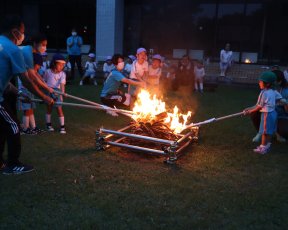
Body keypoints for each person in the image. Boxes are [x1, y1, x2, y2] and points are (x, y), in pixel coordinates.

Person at [0, 15, 54, 175]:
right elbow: (28, 80)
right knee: (13, 125)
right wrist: (44, 97)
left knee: (2, 127)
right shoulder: (13, 50)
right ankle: (13, 164)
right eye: (22, 32)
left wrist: (19, 94)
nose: (24, 35)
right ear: (15, 32)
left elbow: (4, 81)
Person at [244, 72, 283, 154]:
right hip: (273, 113)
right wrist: (249, 108)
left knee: (265, 132)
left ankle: (263, 147)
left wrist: (250, 111)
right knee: (269, 131)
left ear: (267, 84)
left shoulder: (264, 93)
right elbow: (280, 98)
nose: (259, 83)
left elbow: (259, 106)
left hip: (267, 114)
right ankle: (267, 145)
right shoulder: (274, 91)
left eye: (261, 81)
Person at [17, 34, 49, 134]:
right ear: (35, 44)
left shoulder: (34, 54)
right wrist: (46, 88)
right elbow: (33, 74)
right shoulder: (30, 54)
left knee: (30, 106)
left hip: (29, 84)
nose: (44, 47)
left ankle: (33, 127)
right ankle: (25, 128)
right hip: (25, 85)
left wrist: (43, 84)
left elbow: (35, 74)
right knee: (27, 107)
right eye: (42, 44)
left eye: (45, 45)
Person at [43, 54, 66, 134]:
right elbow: (44, 82)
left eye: (63, 65)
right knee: (49, 108)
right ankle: (48, 125)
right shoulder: (47, 72)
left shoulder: (62, 74)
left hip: (57, 92)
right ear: (54, 64)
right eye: (60, 65)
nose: (62, 67)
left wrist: (62, 93)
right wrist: (46, 91)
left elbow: (62, 84)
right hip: (48, 90)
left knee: (59, 108)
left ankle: (62, 127)